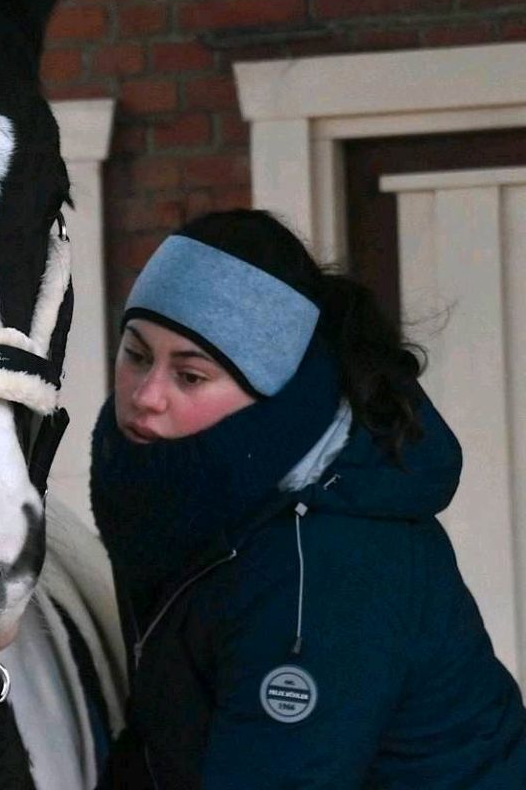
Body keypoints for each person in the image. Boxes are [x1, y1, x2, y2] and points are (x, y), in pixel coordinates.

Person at [91, 208, 526, 789]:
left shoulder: (324, 555)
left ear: (268, 392)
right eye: (137, 355)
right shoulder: (180, 495)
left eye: (190, 376)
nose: (147, 395)